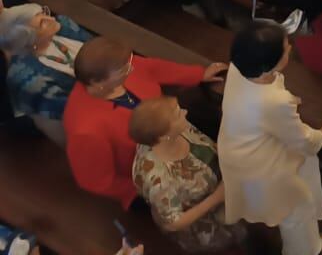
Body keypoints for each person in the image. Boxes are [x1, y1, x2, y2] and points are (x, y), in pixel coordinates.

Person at [217, 21, 322, 255]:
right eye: (285, 48)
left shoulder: (239, 67)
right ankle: (309, 249)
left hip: (242, 147)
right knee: (295, 209)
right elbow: (301, 140)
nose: (291, 48)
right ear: (266, 66)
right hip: (263, 167)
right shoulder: (273, 102)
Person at [65, 36, 223, 207]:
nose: (132, 68)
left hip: (174, 137)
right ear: (98, 82)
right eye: (123, 69)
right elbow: (96, 180)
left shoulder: (122, 68)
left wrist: (198, 74)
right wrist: (150, 189)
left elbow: (154, 68)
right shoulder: (85, 131)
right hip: (157, 172)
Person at [128, 96, 246, 253]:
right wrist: (216, 198)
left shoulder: (177, 130)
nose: (185, 112)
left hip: (223, 190)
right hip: (206, 219)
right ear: (163, 136)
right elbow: (172, 223)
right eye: (178, 114)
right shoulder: (158, 179)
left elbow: (203, 142)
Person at [0, 1, 94, 144]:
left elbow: (95, 46)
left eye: (43, 12)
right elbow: (69, 111)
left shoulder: (64, 24)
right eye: (42, 23)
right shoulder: (29, 77)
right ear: (28, 40)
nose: (51, 19)